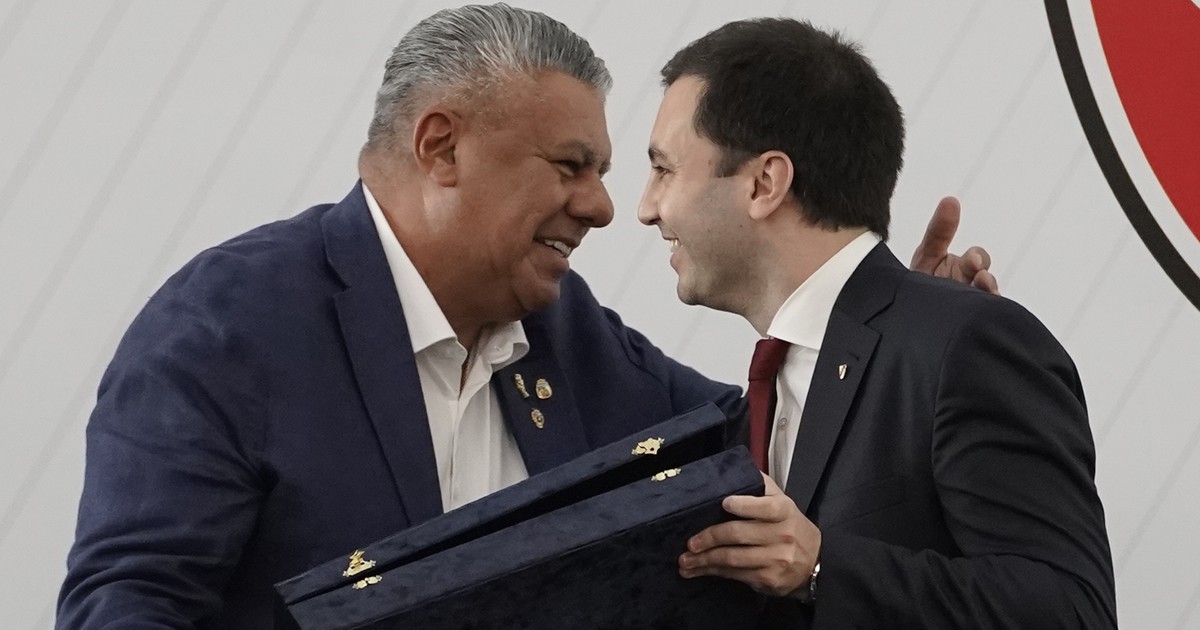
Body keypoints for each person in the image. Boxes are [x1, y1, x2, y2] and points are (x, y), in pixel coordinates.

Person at [56, 5, 995, 629]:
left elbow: (765, 455)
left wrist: (883, 343)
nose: (604, 206)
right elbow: (129, 603)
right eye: (570, 166)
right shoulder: (226, 328)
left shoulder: (566, 332)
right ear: (441, 147)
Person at [636, 18, 1116, 628]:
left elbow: (1072, 611)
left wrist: (822, 567)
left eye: (664, 170)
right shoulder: (756, 396)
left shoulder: (965, 344)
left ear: (765, 183)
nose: (646, 208)